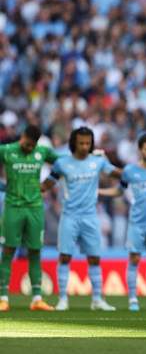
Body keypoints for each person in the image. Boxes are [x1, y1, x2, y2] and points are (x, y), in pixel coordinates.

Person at [42, 126, 123, 311]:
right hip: (69, 216)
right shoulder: (63, 163)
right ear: (73, 143)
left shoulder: (98, 162)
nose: (85, 146)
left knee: (94, 257)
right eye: (81, 143)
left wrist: (135, 172)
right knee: (64, 257)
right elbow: (47, 184)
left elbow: (117, 173)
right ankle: (63, 299)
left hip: (90, 216)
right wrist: (32, 187)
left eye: (88, 143)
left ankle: (97, 300)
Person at [99, 134, 146, 312]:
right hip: (137, 223)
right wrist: (100, 191)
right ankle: (132, 300)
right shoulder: (130, 170)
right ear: (140, 151)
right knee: (134, 259)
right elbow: (119, 191)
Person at [0, 125, 59, 312]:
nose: (29, 148)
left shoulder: (42, 151)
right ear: (22, 137)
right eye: (27, 144)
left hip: (34, 208)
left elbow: (65, 164)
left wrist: (49, 183)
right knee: (8, 250)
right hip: (13, 207)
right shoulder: (7, 151)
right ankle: (3, 298)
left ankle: (37, 299)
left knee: (35, 251)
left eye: (32, 146)